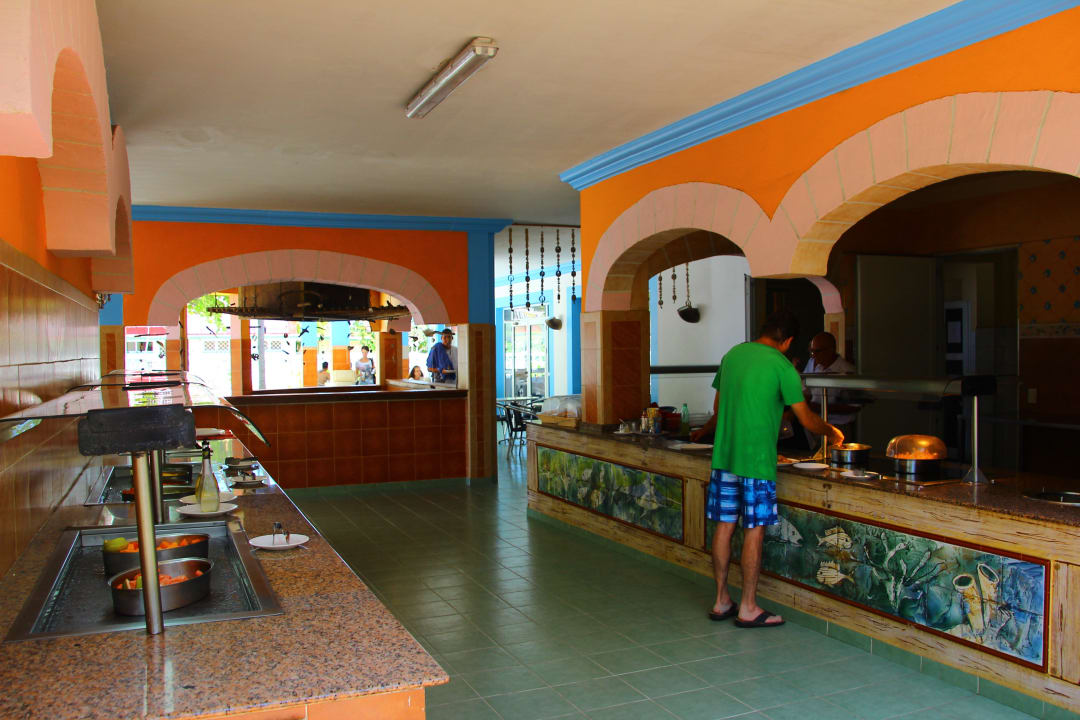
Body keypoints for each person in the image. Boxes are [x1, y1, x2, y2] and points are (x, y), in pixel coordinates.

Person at [691, 311, 843, 628]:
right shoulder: (782, 366)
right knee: (754, 531)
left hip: (724, 457)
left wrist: (711, 429)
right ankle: (748, 607)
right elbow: (805, 418)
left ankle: (721, 600)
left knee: (724, 527)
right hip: (757, 461)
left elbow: (718, 408)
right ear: (787, 341)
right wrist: (832, 432)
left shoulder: (733, 356)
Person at [802, 332, 859, 447]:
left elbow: (854, 406)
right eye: (812, 352)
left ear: (831, 350)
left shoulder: (846, 371)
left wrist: (821, 407)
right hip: (815, 423)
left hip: (838, 426)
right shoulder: (812, 363)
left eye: (817, 352)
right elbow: (806, 388)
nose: (813, 356)